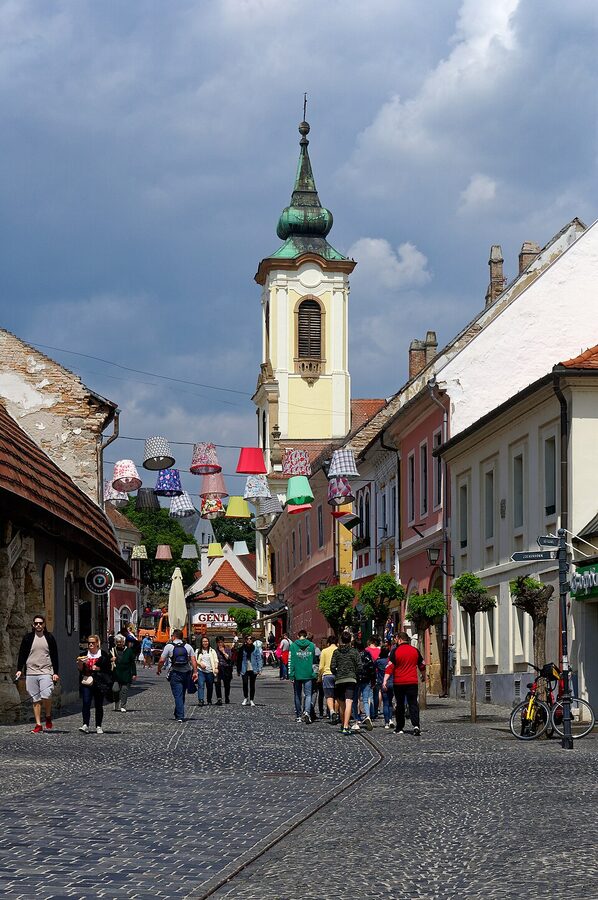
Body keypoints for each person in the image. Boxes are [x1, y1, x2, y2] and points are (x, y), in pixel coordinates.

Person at [15, 615, 60, 733]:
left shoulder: (49, 638)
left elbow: (54, 656)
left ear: (44, 624)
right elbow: (22, 654)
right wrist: (19, 669)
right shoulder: (28, 638)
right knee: (35, 698)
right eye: (36, 623)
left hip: (46, 671)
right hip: (31, 671)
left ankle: (48, 715)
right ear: (33, 625)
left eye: (40, 623)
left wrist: (55, 672)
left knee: (46, 694)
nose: (38, 625)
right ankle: (38, 724)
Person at [383, 631, 426, 735]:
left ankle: (400, 727)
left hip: (399, 682)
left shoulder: (395, 651)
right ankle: (416, 725)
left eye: (396, 639)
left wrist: (385, 681)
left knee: (400, 705)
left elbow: (390, 667)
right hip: (412, 682)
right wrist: (424, 676)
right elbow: (422, 665)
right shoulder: (415, 651)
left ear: (400, 639)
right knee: (413, 704)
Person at [157, 629, 198, 722]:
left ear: (173, 636)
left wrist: (159, 669)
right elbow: (193, 660)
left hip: (175, 673)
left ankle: (180, 716)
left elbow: (161, 660)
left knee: (178, 695)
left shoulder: (169, 646)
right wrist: (195, 672)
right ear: (182, 637)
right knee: (181, 694)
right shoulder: (188, 646)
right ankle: (177, 713)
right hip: (187, 673)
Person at [77, 635, 112, 734]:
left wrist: (99, 668)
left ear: (97, 643)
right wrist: (80, 663)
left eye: (93, 642)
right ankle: (85, 725)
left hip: (99, 682)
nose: (91, 644)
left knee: (98, 705)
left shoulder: (103, 655)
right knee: (86, 703)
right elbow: (80, 670)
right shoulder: (84, 655)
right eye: (89, 643)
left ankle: (98, 726)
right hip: (87, 681)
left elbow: (108, 669)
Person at [330, 631, 360, 736]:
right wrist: (355, 674)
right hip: (351, 679)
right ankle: (346, 726)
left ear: (341, 640)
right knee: (349, 702)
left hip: (339, 680)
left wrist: (338, 673)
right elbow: (359, 666)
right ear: (350, 640)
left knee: (342, 704)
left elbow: (332, 667)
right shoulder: (354, 652)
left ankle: (343, 724)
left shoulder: (336, 652)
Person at [289, 629, 315, 724]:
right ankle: (307, 712)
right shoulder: (311, 646)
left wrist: (291, 674)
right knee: (308, 695)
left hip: (297, 674)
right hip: (308, 673)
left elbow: (290, 661)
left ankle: (299, 715)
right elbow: (314, 660)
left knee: (297, 694)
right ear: (306, 636)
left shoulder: (293, 646)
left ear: (298, 636)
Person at [111, 634, 137, 712]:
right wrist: (111, 659)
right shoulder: (113, 650)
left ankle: (123, 706)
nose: (119, 643)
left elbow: (132, 663)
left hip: (126, 674)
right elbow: (107, 660)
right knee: (115, 689)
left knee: (124, 690)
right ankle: (116, 701)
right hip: (116, 673)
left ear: (123, 642)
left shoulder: (129, 651)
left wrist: (134, 673)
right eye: (117, 642)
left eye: (120, 642)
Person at [236, 634, 262, 706]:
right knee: (245, 683)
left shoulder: (255, 648)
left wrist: (259, 669)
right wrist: (238, 670)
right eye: (247, 639)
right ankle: (245, 697)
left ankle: (251, 699)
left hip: (253, 668)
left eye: (250, 639)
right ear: (245, 640)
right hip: (244, 668)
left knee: (252, 684)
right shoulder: (242, 648)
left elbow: (259, 658)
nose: (249, 640)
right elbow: (239, 659)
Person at [318, 636, 338, 724]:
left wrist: (319, 677)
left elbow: (321, 667)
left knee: (329, 696)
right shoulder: (339, 650)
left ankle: (332, 711)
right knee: (337, 696)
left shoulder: (324, 651)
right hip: (337, 675)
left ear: (328, 643)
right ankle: (336, 714)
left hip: (327, 675)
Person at [356, 642, 376, 731]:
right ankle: (368, 716)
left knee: (355, 699)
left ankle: (357, 719)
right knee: (365, 700)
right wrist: (373, 679)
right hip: (367, 679)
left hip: (356, 679)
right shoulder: (367, 654)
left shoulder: (354, 655)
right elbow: (372, 667)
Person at [195, 635, 219, 706]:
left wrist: (216, 668)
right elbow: (194, 660)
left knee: (210, 686)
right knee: (201, 685)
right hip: (201, 671)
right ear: (201, 643)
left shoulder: (212, 651)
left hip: (210, 671)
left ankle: (209, 699)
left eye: (206, 641)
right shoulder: (198, 650)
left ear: (208, 642)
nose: (205, 643)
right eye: (203, 641)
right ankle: (201, 700)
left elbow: (216, 660)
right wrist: (200, 664)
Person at [376, 644, 394, 729]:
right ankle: (390, 719)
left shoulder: (378, 661)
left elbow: (374, 670)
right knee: (390, 702)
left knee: (385, 703)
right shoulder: (390, 661)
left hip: (383, 683)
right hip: (392, 682)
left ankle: (386, 722)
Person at [214, 636, 233, 705]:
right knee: (217, 683)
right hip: (218, 668)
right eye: (218, 642)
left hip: (226, 668)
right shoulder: (214, 650)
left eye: (221, 642)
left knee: (227, 684)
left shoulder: (227, 649)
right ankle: (219, 698)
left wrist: (223, 652)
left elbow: (229, 658)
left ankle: (227, 697)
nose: (220, 644)